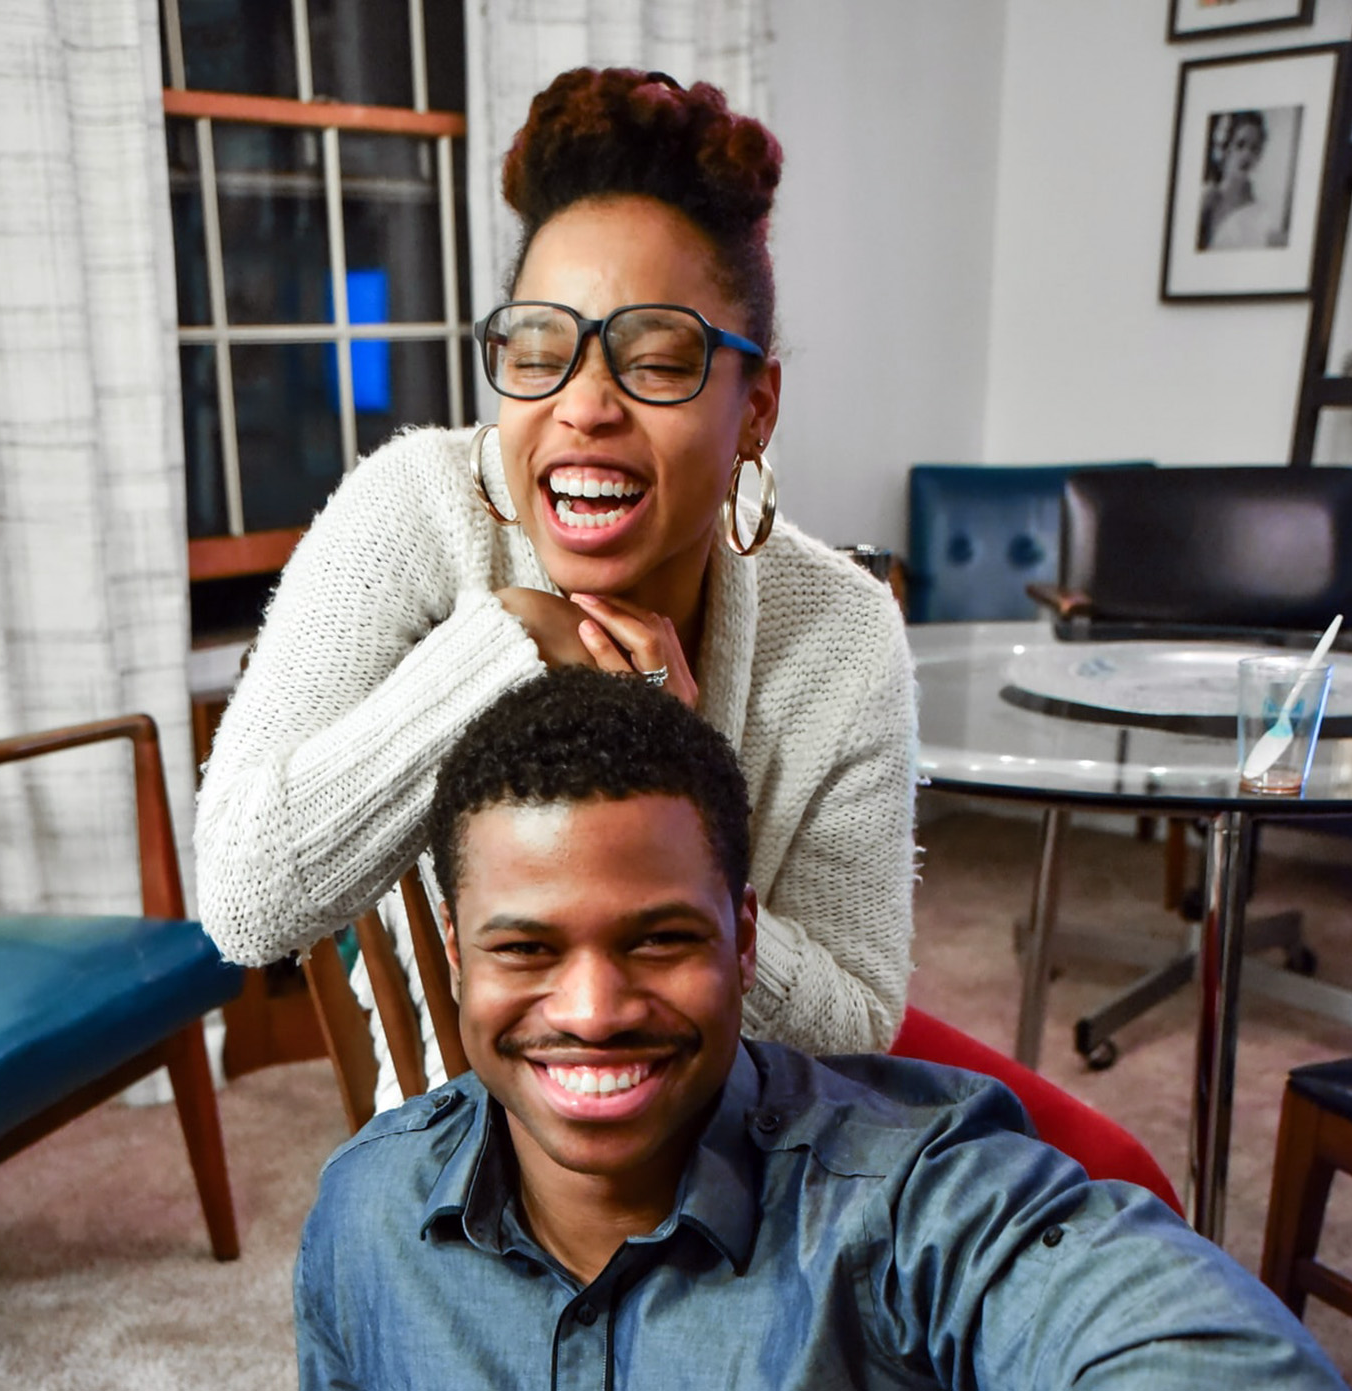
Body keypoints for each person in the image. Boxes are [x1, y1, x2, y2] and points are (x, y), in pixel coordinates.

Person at [296, 667, 1345, 1390]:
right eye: (525, 947)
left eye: (659, 939)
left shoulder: (906, 1205)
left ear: (742, 938)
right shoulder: (364, 1209)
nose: (593, 1010)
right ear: (456, 950)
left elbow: (1205, 1351)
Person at [195, 67, 916, 1101]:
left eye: (657, 359)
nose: (583, 407)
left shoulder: (841, 629)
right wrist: (500, 654)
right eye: (538, 349)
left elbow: (856, 1025)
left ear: (756, 407)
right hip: (480, 1139)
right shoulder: (414, 513)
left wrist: (682, 798)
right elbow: (244, 900)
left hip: (751, 1121)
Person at [1197, 109, 1290, 251]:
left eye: (1254, 148)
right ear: (1226, 148)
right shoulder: (1205, 196)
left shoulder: (1261, 213)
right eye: (1240, 144)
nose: (1247, 154)